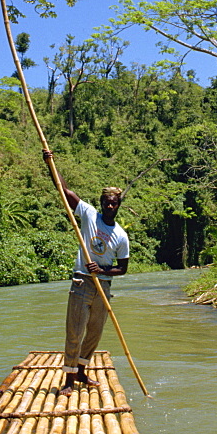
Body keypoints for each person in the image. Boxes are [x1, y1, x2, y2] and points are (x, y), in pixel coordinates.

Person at [42, 150, 129, 396]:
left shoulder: (121, 235)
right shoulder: (90, 215)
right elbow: (64, 191)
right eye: (107, 203)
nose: (110, 206)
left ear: (118, 205)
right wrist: (51, 163)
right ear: (101, 204)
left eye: (114, 203)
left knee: (94, 333)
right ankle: (69, 378)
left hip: (103, 287)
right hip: (82, 282)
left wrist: (102, 269)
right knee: (75, 330)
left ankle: (82, 369)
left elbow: (122, 268)